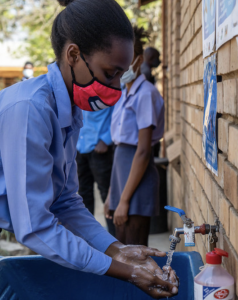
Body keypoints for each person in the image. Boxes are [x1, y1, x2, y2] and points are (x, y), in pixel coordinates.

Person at [0, 0, 178, 298]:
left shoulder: (69, 109)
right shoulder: (31, 109)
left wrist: (118, 250)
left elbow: (66, 202)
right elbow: (35, 226)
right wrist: (125, 271)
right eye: (109, 73)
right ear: (73, 54)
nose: (116, 88)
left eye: (120, 76)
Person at [105, 26, 164, 247]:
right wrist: (113, 194)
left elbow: (142, 151)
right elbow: (119, 148)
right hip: (122, 176)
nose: (118, 67)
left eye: (124, 60)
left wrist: (125, 200)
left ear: (138, 61)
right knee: (122, 250)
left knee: (135, 252)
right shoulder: (123, 94)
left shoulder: (146, 93)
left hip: (136, 180)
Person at [76, 107, 116, 236]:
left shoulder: (107, 89)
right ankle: (88, 236)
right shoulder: (78, 89)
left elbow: (117, 116)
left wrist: (106, 139)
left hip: (100, 150)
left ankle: (114, 238)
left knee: (107, 194)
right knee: (83, 194)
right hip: (79, 149)